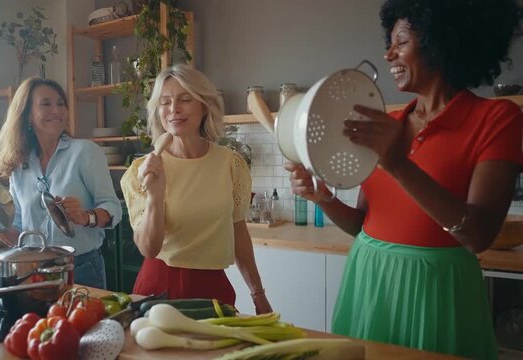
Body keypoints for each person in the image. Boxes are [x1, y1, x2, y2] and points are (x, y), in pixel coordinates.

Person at [286, 0, 523, 358]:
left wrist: (398, 164)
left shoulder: (497, 118)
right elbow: (364, 226)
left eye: (401, 42)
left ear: (441, 42)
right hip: (369, 279)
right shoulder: (389, 123)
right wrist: (324, 199)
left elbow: (478, 235)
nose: (388, 55)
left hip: (438, 293)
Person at [120, 64, 272, 314]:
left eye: (185, 99)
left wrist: (257, 294)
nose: (173, 109)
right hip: (158, 291)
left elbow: (238, 232)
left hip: (213, 290)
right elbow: (149, 248)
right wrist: (155, 197)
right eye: (165, 102)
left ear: (205, 106)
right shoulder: (143, 171)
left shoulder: (230, 164)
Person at [0, 77, 122, 289]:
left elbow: (112, 208)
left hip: (81, 268)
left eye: (60, 103)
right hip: (33, 270)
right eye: (46, 104)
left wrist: (85, 217)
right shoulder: (19, 165)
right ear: (27, 115)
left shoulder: (85, 152)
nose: (57, 110)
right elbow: (19, 229)